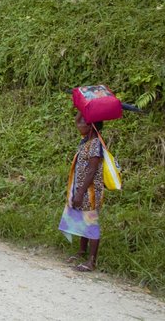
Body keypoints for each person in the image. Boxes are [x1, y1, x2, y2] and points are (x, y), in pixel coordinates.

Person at [59, 112, 104, 272]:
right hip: (82, 189)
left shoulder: (95, 144)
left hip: (90, 191)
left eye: (84, 123)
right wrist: (83, 107)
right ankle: (81, 252)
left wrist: (80, 192)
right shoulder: (86, 142)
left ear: (91, 127)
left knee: (91, 222)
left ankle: (92, 261)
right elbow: (77, 120)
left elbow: (92, 170)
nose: (79, 125)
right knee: (83, 220)